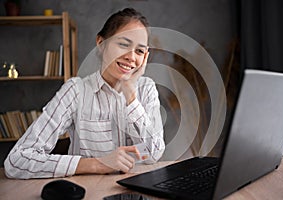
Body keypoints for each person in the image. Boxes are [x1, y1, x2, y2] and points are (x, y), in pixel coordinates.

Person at [4, 8, 165, 179]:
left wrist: (130, 95)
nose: (131, 57)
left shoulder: (146, 88)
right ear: (101, 43)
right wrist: (98, 164)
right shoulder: (76, 91)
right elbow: (16, 161)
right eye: (123, 44)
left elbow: (154, 153)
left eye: (139, 51)